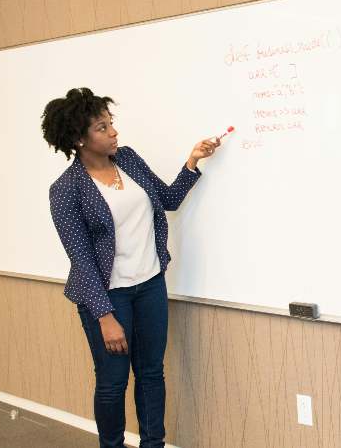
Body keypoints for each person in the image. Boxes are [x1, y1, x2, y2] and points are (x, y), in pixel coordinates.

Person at [42, 87, 219, 448]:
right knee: (113, 381)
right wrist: (105, 316)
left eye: (111, 124)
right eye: (102, 128)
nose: (113, 133)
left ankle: (153, 444)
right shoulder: (66, 189)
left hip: (150, 284)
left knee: (152, 373)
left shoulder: (130, 160)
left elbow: (166, 199)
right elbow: (82, 258)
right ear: (79, 139)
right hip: (107, 296)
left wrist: (192, 161)